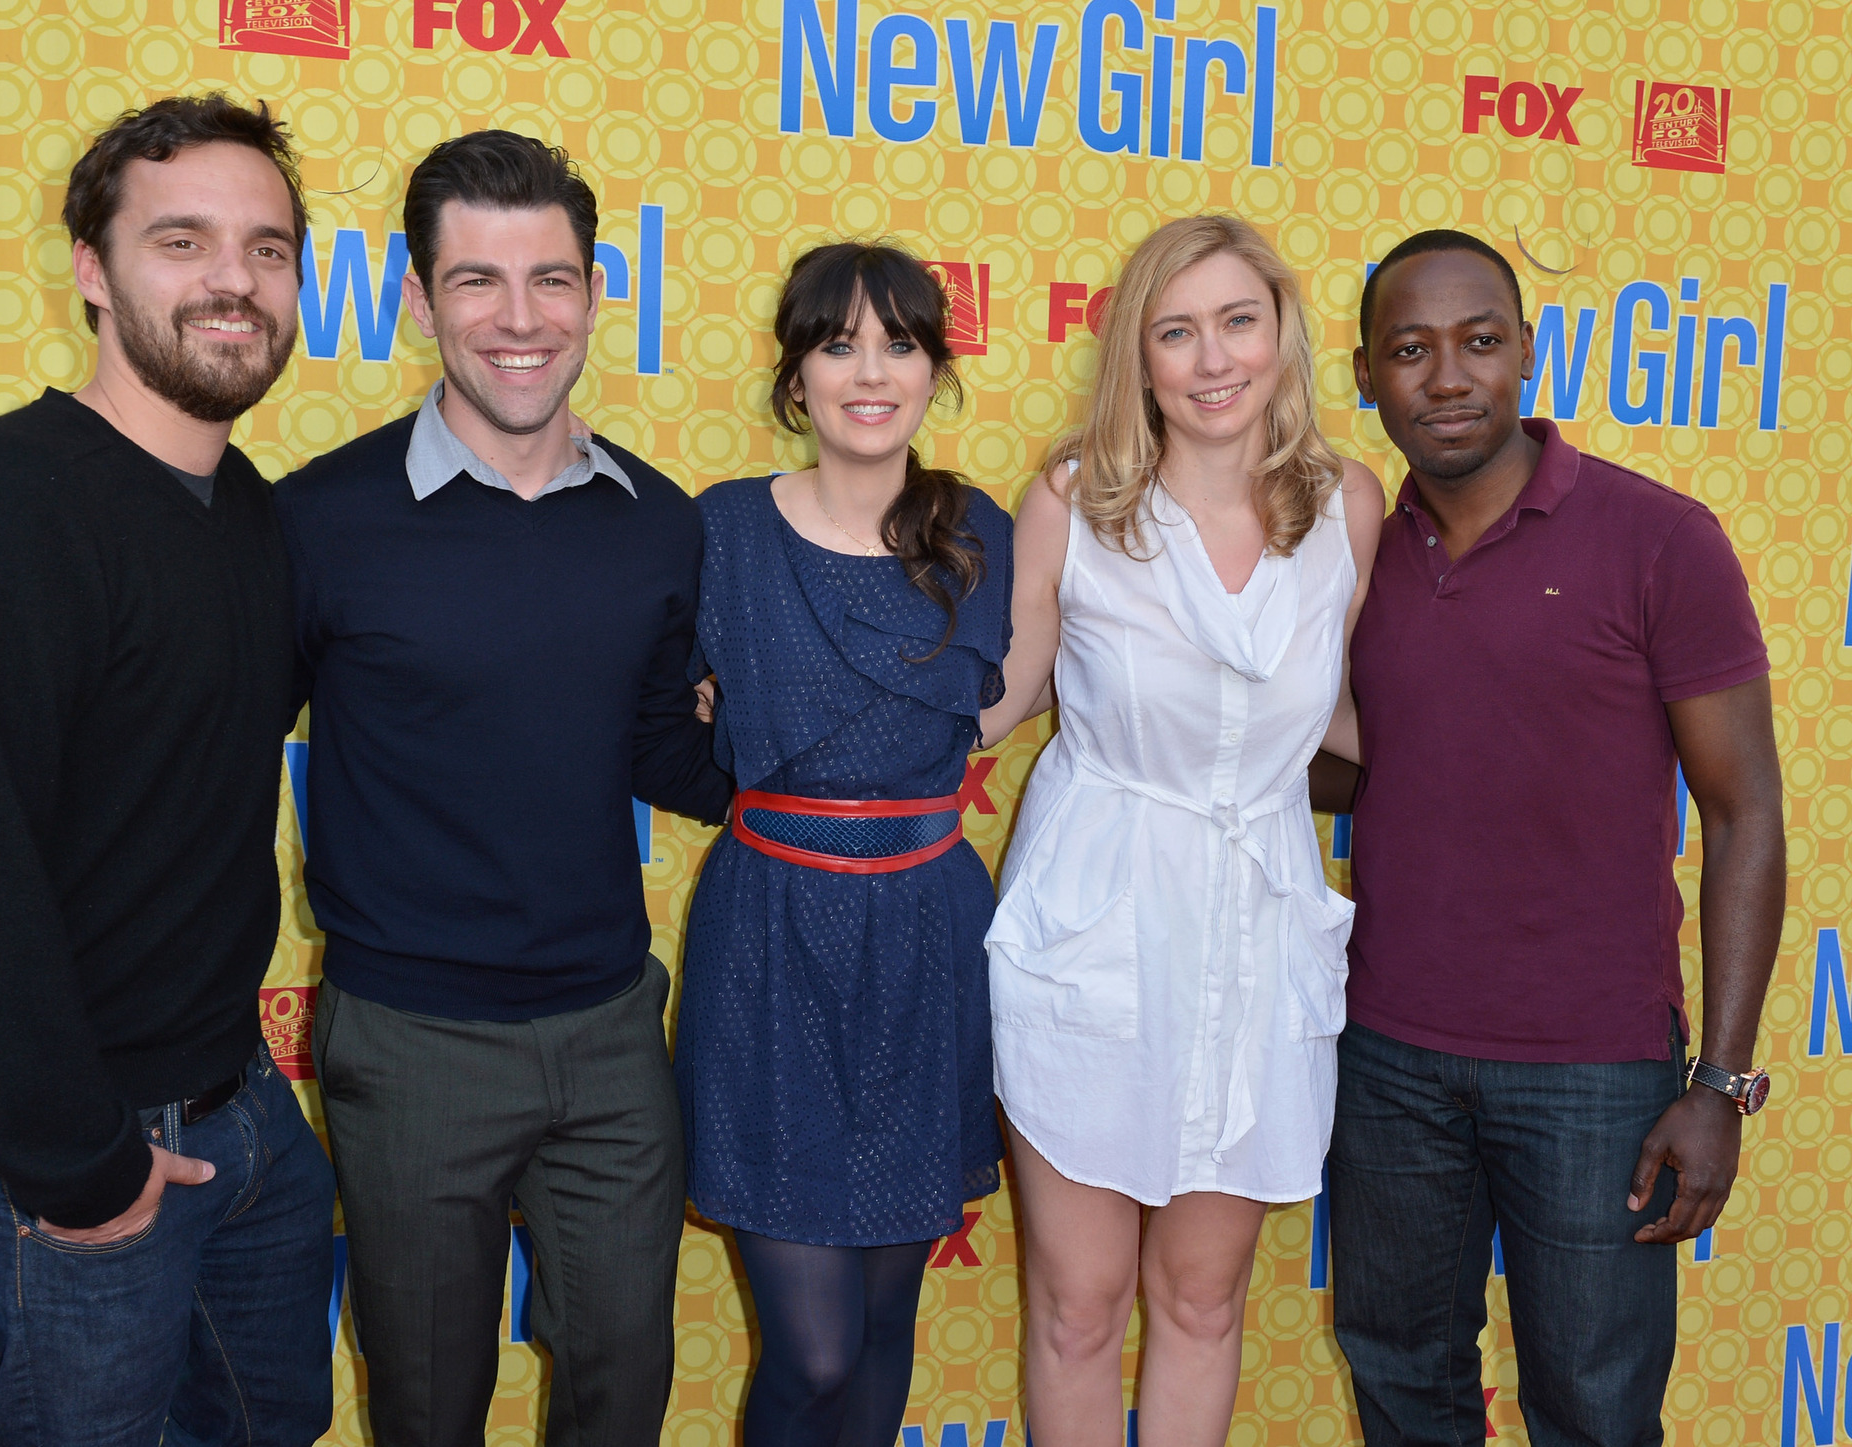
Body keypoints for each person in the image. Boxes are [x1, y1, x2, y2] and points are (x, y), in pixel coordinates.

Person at [0, 95, 335, 1444]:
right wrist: (86, 1166)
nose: (233, 278)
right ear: (90, 268)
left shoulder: (245, 509)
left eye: (267, 246)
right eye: (180, 240)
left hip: (233, 1111)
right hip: (54, 1157)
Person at [275, 130, 731, 1447]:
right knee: (425, 1404)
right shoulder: (319, 519)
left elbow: (669, 756)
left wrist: (833, 724)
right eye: (478, 280)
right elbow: (218, 749)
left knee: (622, 1392)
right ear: (419, 300)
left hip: (607, 1030)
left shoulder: (659, 519)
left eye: (553, 279)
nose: (519, 319)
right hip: (410, 1038)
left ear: (596, 294)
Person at [1321, 229, 1784, 1446]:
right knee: (1400, 1382)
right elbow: (1329, 768)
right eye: (1407, 352)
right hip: (1383, 1060)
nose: (1447, 378)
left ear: (1525, 352)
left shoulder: (1657, 539)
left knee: (1591, 1410)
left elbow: (1743, 813)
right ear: (1362, 375)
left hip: (1595, 1073)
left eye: (1478, 343)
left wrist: (1719, 1086)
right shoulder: (1343, 552)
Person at [977, 214, 1382, 1445]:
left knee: (1204, 1300)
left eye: (1236, 322)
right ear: (1136, 357)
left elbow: (1368, 725)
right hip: (1093, 915)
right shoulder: (1070, 501)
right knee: (1078, 1304)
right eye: (1175, 330)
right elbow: (996, 700)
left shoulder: (1348, 505)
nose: (1212, 359)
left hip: (1259, 924)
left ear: (1280, 334)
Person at [673, 240, 1011, 1446]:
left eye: (900, 343)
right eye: (837, 342)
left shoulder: (979, 534)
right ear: (794, 376)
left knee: (879, 1322)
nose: (869, 371)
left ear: (934, 369)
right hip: (770, 937)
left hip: (924, 934)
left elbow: (1011, 697)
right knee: (810, 1346)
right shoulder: (719, 531)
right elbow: (656, 710)